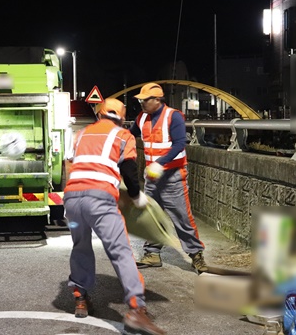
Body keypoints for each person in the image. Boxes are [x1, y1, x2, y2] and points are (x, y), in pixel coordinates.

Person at [63, 98, 166, 335]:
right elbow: (128, 170)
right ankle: (136, 310)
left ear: (99, 114)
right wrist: (136, 196)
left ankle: (80, 297)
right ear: (121, 116)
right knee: (120, 252)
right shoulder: (123, 136)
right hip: (99, 200)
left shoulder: (81, 134)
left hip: (72, 199)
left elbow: (70, 166)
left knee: (80, 246)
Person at [130, 83, 208, 274]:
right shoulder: (141, 118)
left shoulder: (173, 116)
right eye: (140, 100)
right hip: (152, 178)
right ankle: (152, 253)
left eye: (145, 100)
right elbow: (129, 135)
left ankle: (196, 255)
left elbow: (180, 143)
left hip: (173, 177)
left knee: (182, 217)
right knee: (152, 217)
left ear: (157, 100)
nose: (141, 103)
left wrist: (161, 163)